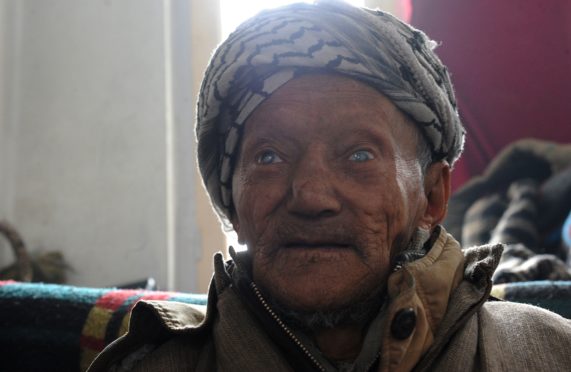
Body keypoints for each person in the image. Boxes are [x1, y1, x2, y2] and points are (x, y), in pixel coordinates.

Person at [89, 1, 571, 371]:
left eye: (360, 155)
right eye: (269, 156)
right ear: (232, 199)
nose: (312, 196)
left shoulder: (549, 353)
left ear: (433, 196)